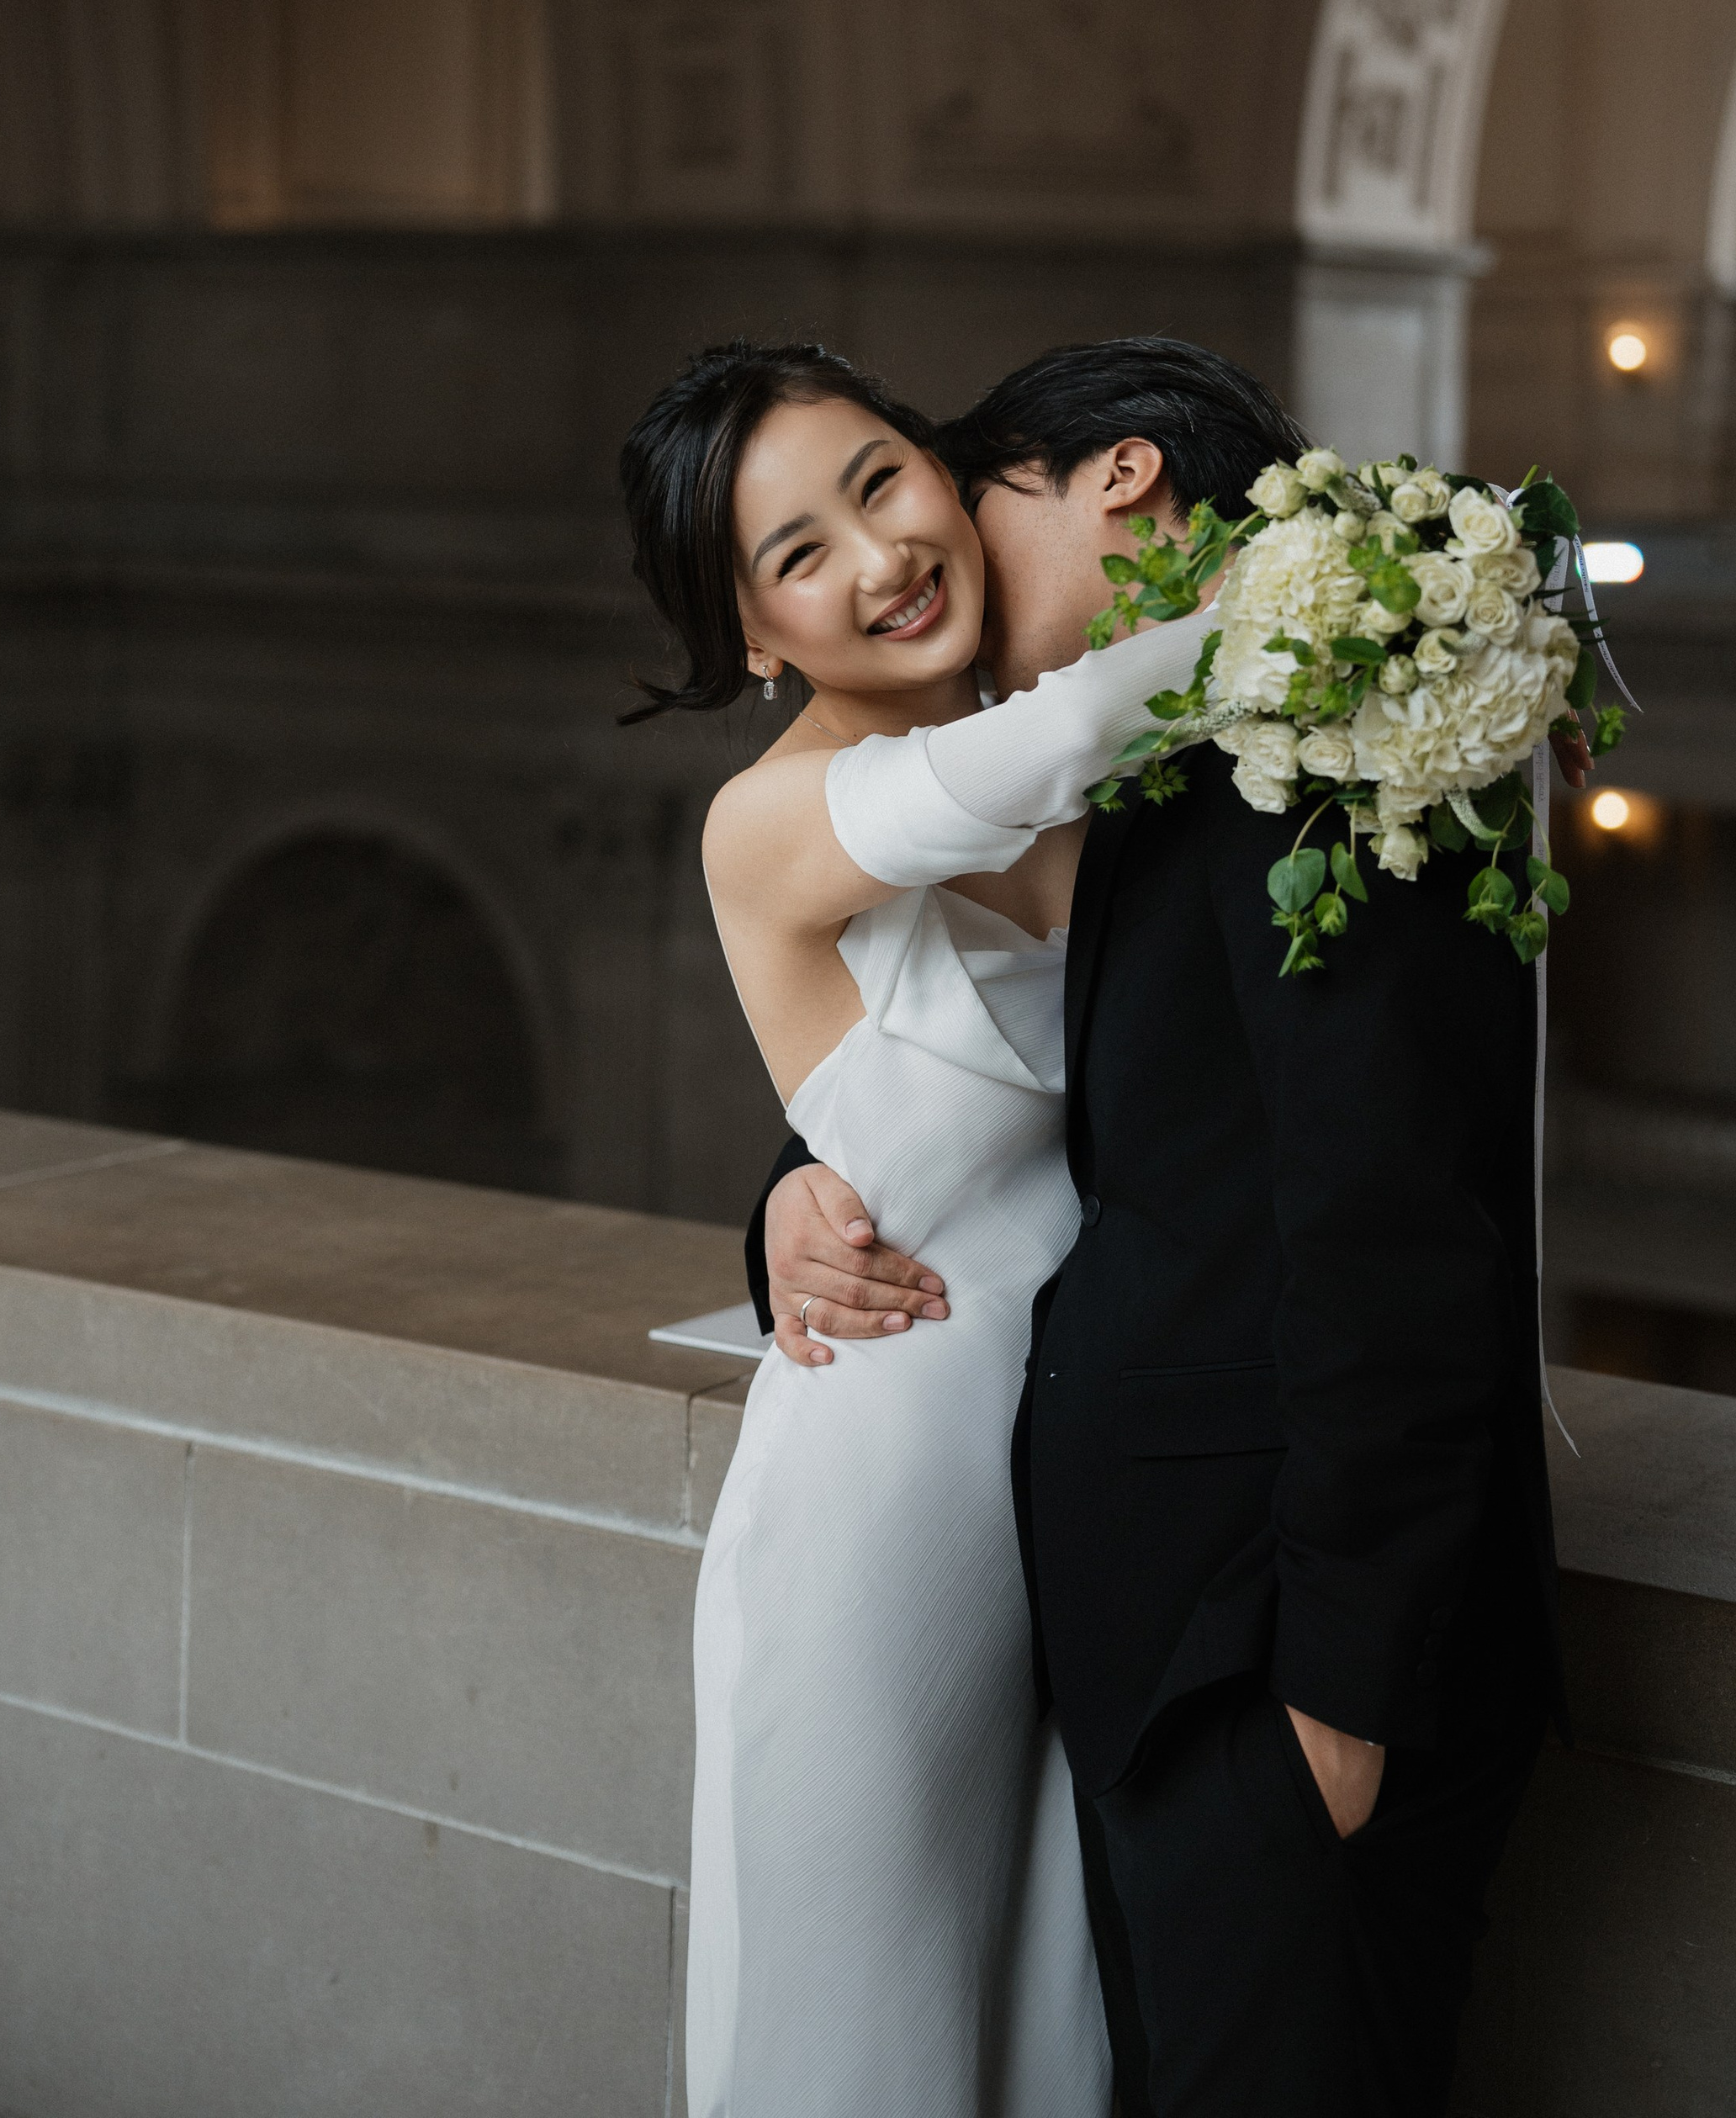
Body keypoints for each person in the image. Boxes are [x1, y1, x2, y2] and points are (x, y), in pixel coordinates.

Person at [753, 336, 1565, 2118]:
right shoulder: (1158, 760)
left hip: (1276, 1665)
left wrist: (1336, 1709)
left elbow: (1398, 1224)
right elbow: (1040, 1103)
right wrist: (792, 1196)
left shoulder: (1346, 719)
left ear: (1115, 475)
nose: (926, 563)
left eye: (957, 501)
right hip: (1151, 1654)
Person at [617, 338, 1215, 2118]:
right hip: (883, 1502)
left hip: (1086, 1494)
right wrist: (1405, 598)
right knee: (856, 2035)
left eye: (880, 481)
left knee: (1041, 2038)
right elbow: (1066, 739)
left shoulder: (1066, 749)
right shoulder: (773, 817)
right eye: (797, 553)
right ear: (749, 639)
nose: (877, 557)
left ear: (940, 467)